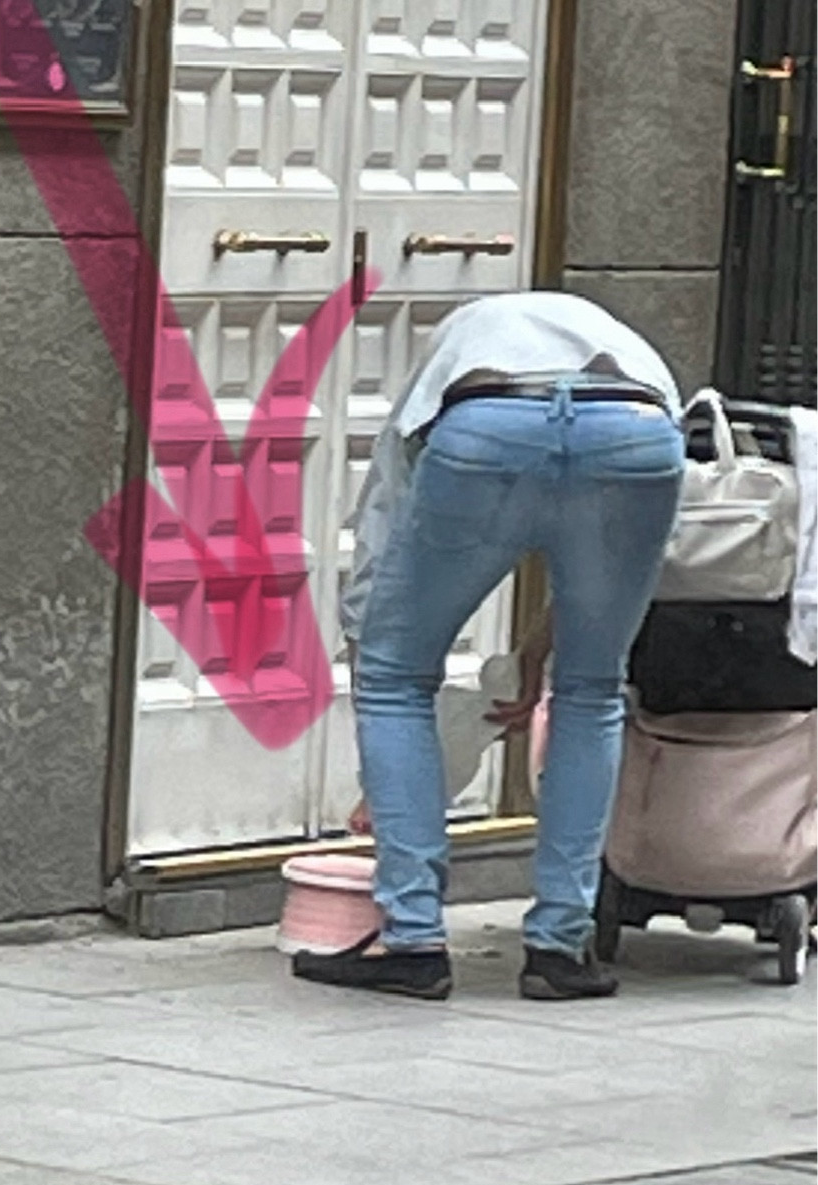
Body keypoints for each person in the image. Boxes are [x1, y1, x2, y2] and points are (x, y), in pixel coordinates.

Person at [293, 290, 686, 1003]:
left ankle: (411, 939)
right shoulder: (622, 342)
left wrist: (368, 649)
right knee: (591, 689)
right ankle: (560, 949)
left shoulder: (454, 347)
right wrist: (540, 653)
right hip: (634, 430)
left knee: (394, 679)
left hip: (487, 426)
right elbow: (612, 556)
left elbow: (384, 520)